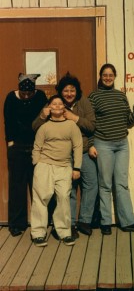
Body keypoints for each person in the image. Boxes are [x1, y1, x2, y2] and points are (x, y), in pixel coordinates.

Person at [32, 72, 99, 238]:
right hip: (60, 158)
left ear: (77, 91)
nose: (69, 94)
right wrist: (43, 116)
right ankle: (70, 224)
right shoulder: (55, 104)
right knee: (68, 191)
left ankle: (84, 220)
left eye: (72, 90)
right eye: (66, 91)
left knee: (91, 184)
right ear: (60, 92)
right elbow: (36, 128)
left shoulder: (84, 102)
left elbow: (91, 126)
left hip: (82, 151)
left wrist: (74, 118)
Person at [88, 63, 134, 235]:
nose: (108, 78)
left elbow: (128, 121)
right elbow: (90, 124)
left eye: (111, 75)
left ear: (115, 76)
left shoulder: (121, 95)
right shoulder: (94, 96)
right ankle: (106, 222)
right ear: (100, 77)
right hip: (103, 144)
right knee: (105, 183)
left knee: (122, 183)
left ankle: (128, 221)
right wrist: (91, 144)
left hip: (122, 144)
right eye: (104, 75)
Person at [31, 95, 83, 247]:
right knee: (41, 198)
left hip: (64, 166)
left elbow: (78, 146)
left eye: (60, 104)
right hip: (44, 166)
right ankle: (38, 233)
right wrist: (37, 165)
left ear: (64, 107)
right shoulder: (44, 126)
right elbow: (37, 147)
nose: (58, 106)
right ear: (49, 107)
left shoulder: (71, 126)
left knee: (63, 197)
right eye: (54, 104)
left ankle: (64, 232)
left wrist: (77, 167)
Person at [3, 73, 48, 237]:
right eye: (24, 93)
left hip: (36, 146)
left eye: (29, 93)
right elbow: (8, 120)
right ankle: (17, 223)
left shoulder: (41, 96)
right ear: (19, 89)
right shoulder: (11, 98)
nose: (27, 96)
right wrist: (11, 142)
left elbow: (45, 121)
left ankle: (42, 221)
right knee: (17, 186)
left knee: (39, 186)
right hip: (18, 147)